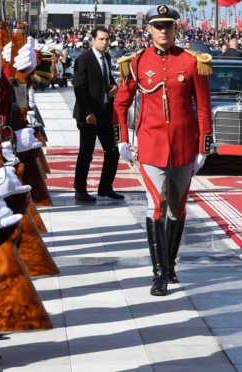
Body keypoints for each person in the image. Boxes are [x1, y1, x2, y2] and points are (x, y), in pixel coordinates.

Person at [113, 5, 212, 296]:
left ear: (175, 28)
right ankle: (158, 274)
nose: (163, 31)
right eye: (158, 26)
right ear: (149, 29)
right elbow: (121, 104)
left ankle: (170, 266)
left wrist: (204, 146)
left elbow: (204, 107)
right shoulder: (136, 62)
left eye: (168, 25)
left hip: (184, 146)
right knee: (155, 207)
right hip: (151, 146)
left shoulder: (193, 61)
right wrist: (121, 141)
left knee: (177, 208)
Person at [72, 26, 121, 202]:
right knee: (86, 152)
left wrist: (114, 86)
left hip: (105, 112)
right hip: (89, 114)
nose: (105, 42)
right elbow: (79, 89)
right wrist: (87, 113)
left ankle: (106, 187)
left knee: (113, 151)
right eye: (101, 39)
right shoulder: (83, 59)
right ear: (92, 40)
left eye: (107, 39)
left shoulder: (107, 57)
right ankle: (80, 189)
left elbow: (108, 79)